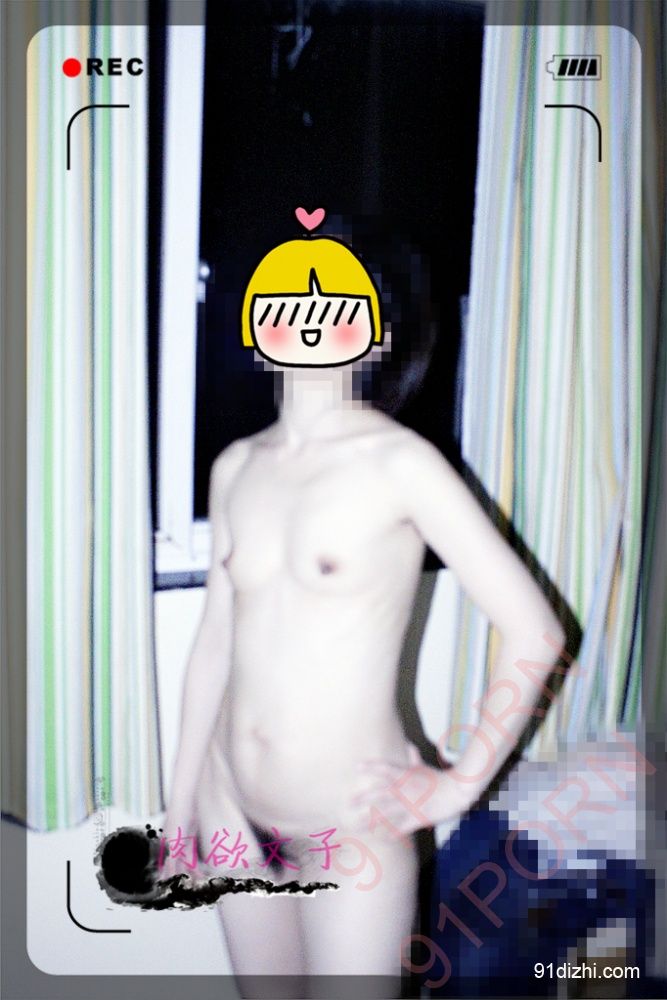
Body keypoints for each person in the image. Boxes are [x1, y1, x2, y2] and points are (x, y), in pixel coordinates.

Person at [163, 211, 566, 999]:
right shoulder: (235, 466)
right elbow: (214, 640)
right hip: (228, 803)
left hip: (349, 827)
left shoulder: (400, 464)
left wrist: (457, 786)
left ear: (375, 335)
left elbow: (536, 631)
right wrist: (179, 807)